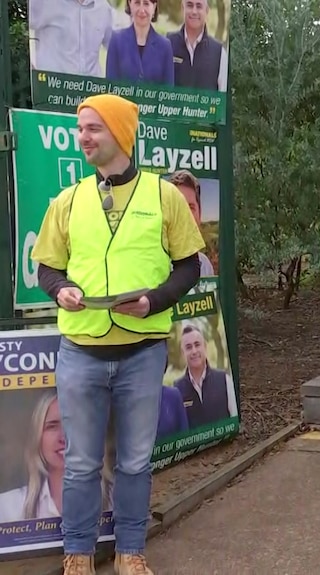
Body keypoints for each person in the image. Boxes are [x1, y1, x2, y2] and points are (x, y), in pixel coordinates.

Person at [31, 93, 205, 575]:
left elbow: (188, 267)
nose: (83, 137)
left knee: (134, 461)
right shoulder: (68, 200)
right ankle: (78, 556)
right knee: (83, 462)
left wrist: (153, 300)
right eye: (80, 128)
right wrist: (61, 289)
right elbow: (47, 267)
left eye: (93, 128)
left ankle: (131, 552)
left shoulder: (164, 196)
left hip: (142, 352)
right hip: (81, 352)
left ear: (120, 134)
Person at [0, 392, 114, 523]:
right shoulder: (7, 507)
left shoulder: (121, 500)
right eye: (52, 426)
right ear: (37, 438)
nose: (64, 437)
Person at [173, 324, 238, 428]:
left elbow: (235, 421)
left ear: (205, 346)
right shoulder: (177, 390)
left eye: (197, 344)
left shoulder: (224, 380)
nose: (194, 351)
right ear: (182, 353)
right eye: (188, 347)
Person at [28, 0, 113, 77]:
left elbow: (115, 46)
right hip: (53, 89)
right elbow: (17, 25)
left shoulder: (103, 8)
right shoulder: (44, 3)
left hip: (91, 88)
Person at [106, 0, 175, 86]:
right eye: (137, 3)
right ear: (130, 5)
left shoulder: (165, 46)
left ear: (154, 7)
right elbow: (110, 86)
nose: (142, 10)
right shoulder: (116, 40)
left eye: (146, 4)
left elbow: (168, 91)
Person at [167, 0, 229, 91]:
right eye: (190, 5)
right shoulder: (167, 45)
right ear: (182, 8)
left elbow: (223, 100)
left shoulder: (219, 53)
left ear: (207, 11)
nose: (194, 11)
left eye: (199, 6)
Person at [167, 170, 216, 277]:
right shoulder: (155, 265)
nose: (186, 215)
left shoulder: (205, 266)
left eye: (190, 207)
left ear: (199, 213)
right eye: (178, 206)